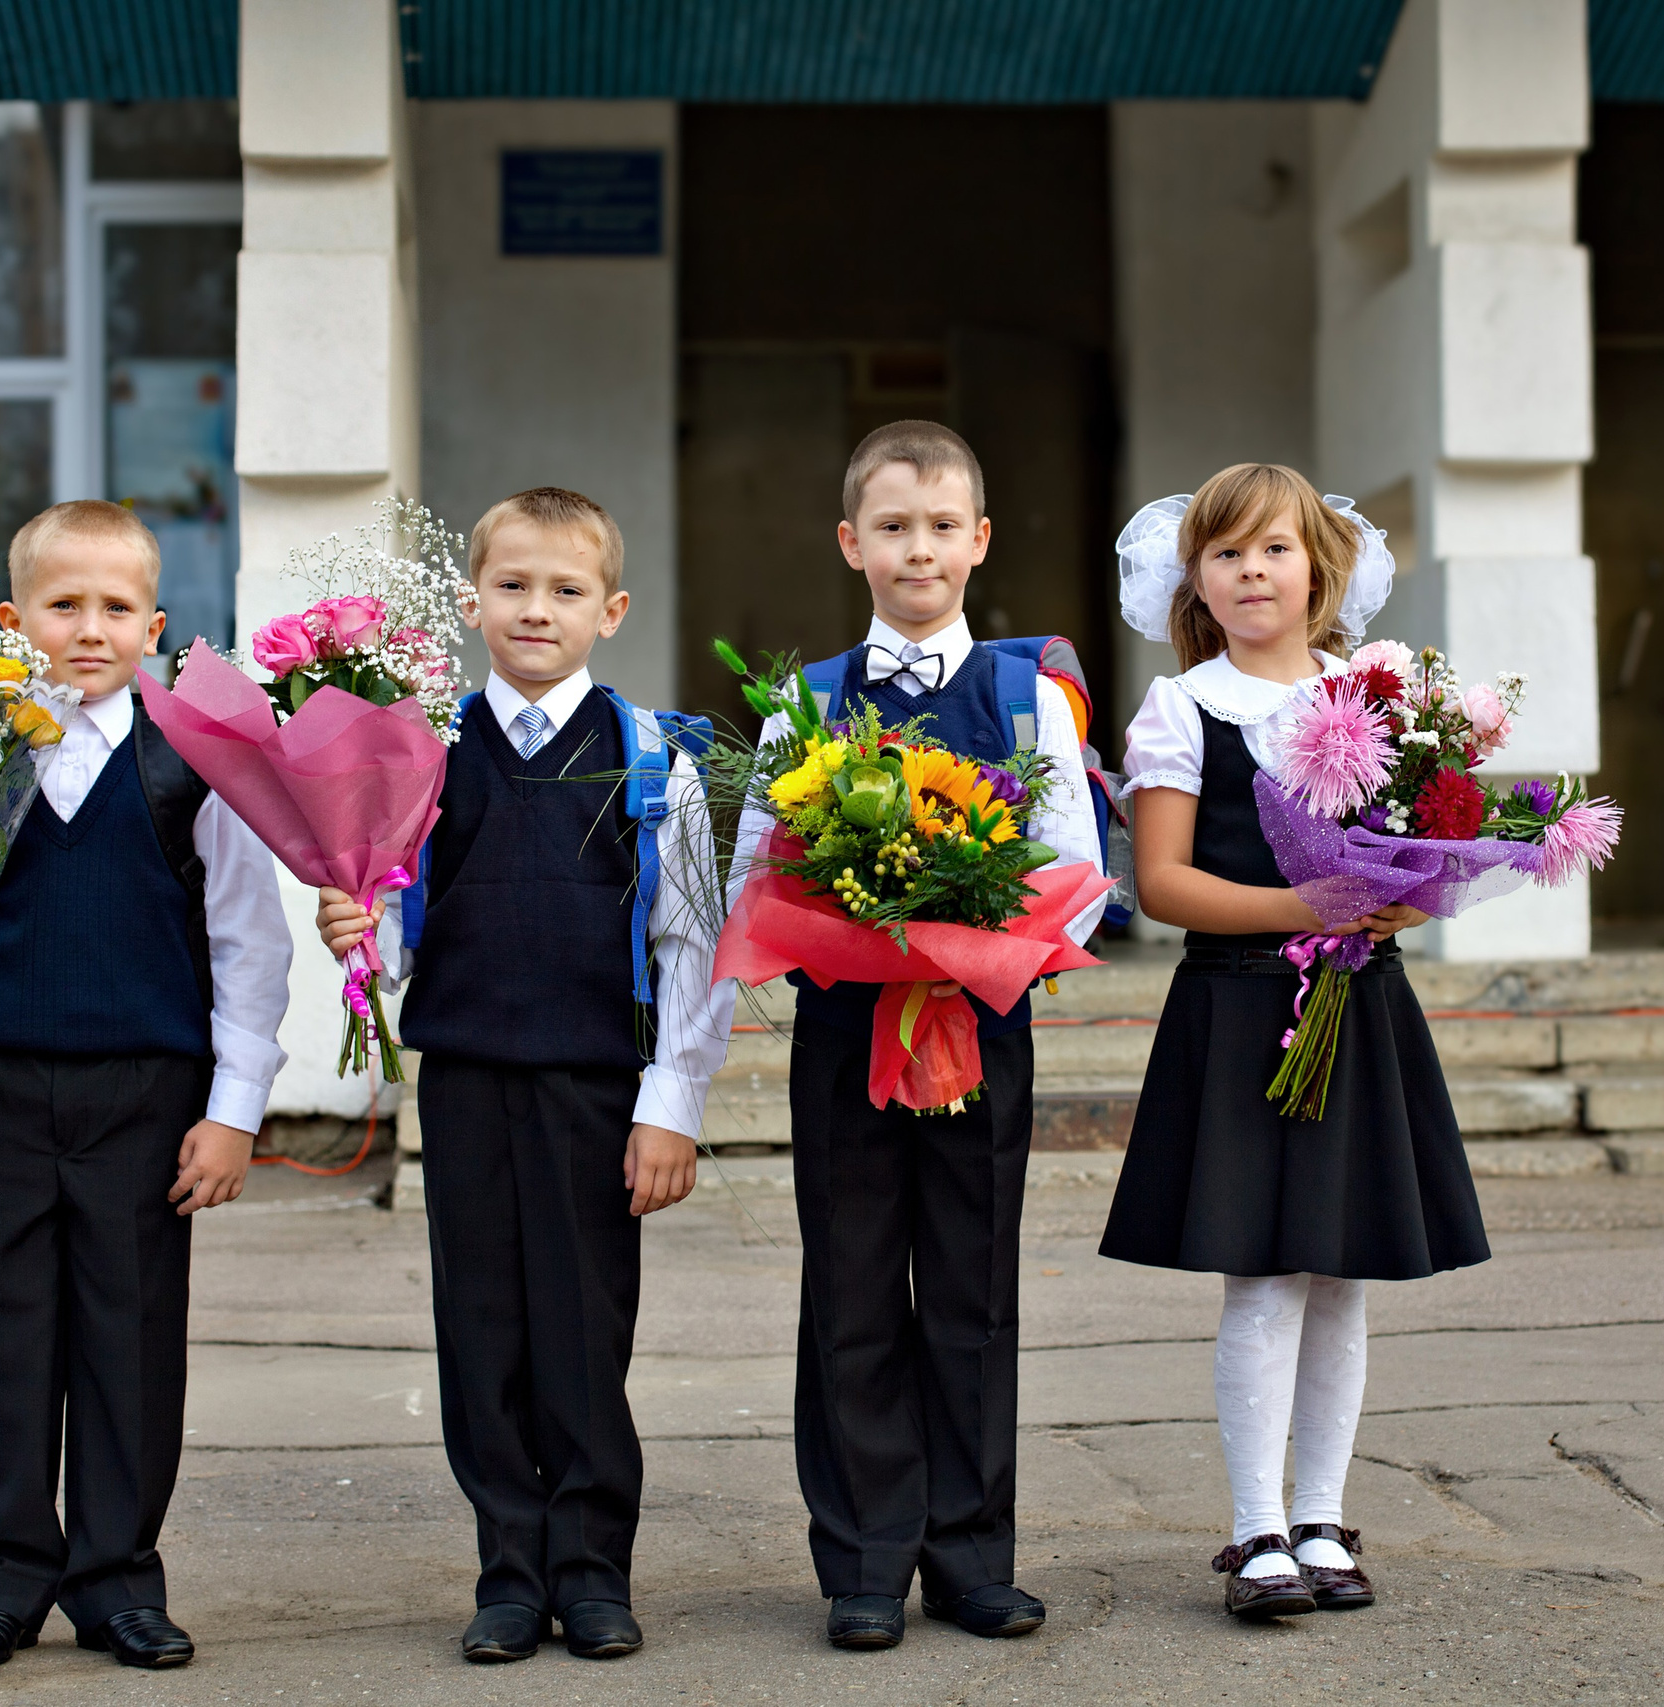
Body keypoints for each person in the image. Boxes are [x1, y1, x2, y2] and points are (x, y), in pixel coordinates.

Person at [0, 499, 293, 1672]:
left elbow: (246, 941)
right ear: (9, 617)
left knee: (130, 1337)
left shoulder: (195, 761)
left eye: (116, 608)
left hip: (146, 1090)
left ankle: (118, 1579)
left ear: (158, 626)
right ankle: (1, 1577)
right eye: (63, 605)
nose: (90, 628)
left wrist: (234, 1109)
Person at [315, 487, 732, 1665]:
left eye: (563, 591)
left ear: (612, 609)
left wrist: (671, 1108)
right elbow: (397, 924)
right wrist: (355, 926)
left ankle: (592, 1571)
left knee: (585, 1333)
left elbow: (690, 948)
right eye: (512, 586)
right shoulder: (421, 756)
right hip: (464, 1084)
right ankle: (509, 1569)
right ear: (471, 601)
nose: (535, 610)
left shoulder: (655, 761)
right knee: (483, 1326)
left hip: (598, 1091)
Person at [727, 421, 1110, 1652]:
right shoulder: (805, 702)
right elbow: (758, 872)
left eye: (942, 525)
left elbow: (1073, 867)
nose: (918, 548)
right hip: (846, 1030)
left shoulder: (1026, 694)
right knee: (848, 1288)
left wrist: (973, 932)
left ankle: (969, 1556)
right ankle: (862, 1558)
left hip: (980, 1023)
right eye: (892, 526)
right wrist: (858, 928)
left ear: (979, 539)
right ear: (852, 543)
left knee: (969, 1286)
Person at [1097, 463, 1489, 1621]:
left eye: (1273, 549)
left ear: (1321, 568)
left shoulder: (1382, 694)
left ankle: (1321, 1514)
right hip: (1239, 1006)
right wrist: (1297, 909)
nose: (1251, 571)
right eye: (1226, 555)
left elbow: (1431, 852)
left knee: (1339, 1274)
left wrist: (1405, 898)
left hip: (1357, 1004)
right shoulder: (1184, 707)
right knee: (1264, 1278)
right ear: (1195, 583)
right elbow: (1162, 882)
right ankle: (1253, 1530)